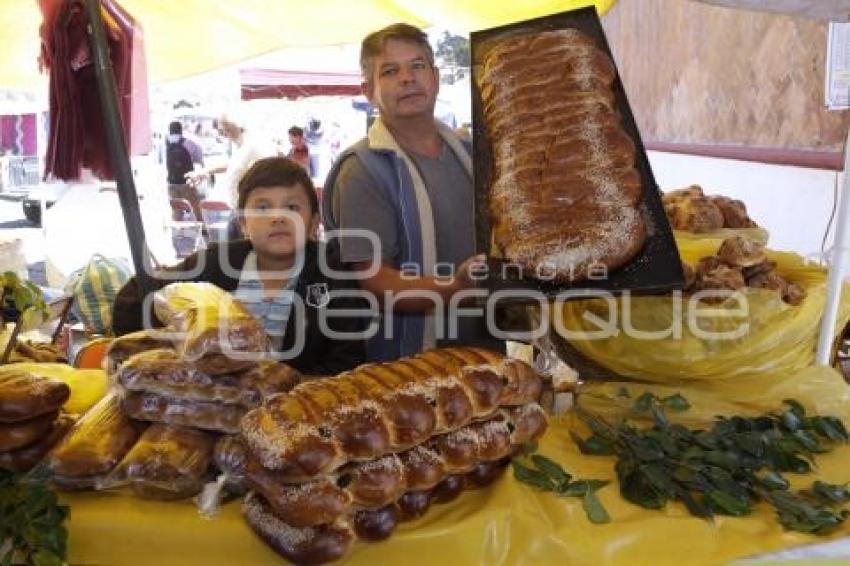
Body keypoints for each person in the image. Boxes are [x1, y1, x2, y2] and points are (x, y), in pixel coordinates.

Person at [323, 23, 499, 361]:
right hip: (404, 363)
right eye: (390, 71)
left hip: (485, 348)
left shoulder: (472, 153)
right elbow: (377, 283)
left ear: (435, 77)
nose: (407, 78)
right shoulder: (361, 170)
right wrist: (458, 287)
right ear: (369, 91)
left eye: (417, 66)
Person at [113, 156, 367, 376]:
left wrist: (288, 387)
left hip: (297, 413)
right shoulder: (214, 264)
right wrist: (178, 342)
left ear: (313, 223)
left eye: (292, 207)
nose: (278, 217)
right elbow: (133, 298)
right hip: (213, 409)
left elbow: (347, 362)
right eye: (263, 207)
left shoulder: (334, 275)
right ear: (243, 224)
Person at [186, 110, 275, 238]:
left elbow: (270, 176)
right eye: (222, 129)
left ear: (238, 125)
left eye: (227, 128)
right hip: (238, 211)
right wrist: (205, 171)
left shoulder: (255, 145)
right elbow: (234, 164)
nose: (224, 133)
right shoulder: (240, 146)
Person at [165, 121, 204, 220]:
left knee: (176, 210)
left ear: (170, 131)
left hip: (171, 183)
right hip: (187, 182)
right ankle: (203, 229)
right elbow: (198, 158)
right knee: (196, 208)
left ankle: (178, 231)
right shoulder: (187, 142)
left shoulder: (165, 143)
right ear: (181, 130)